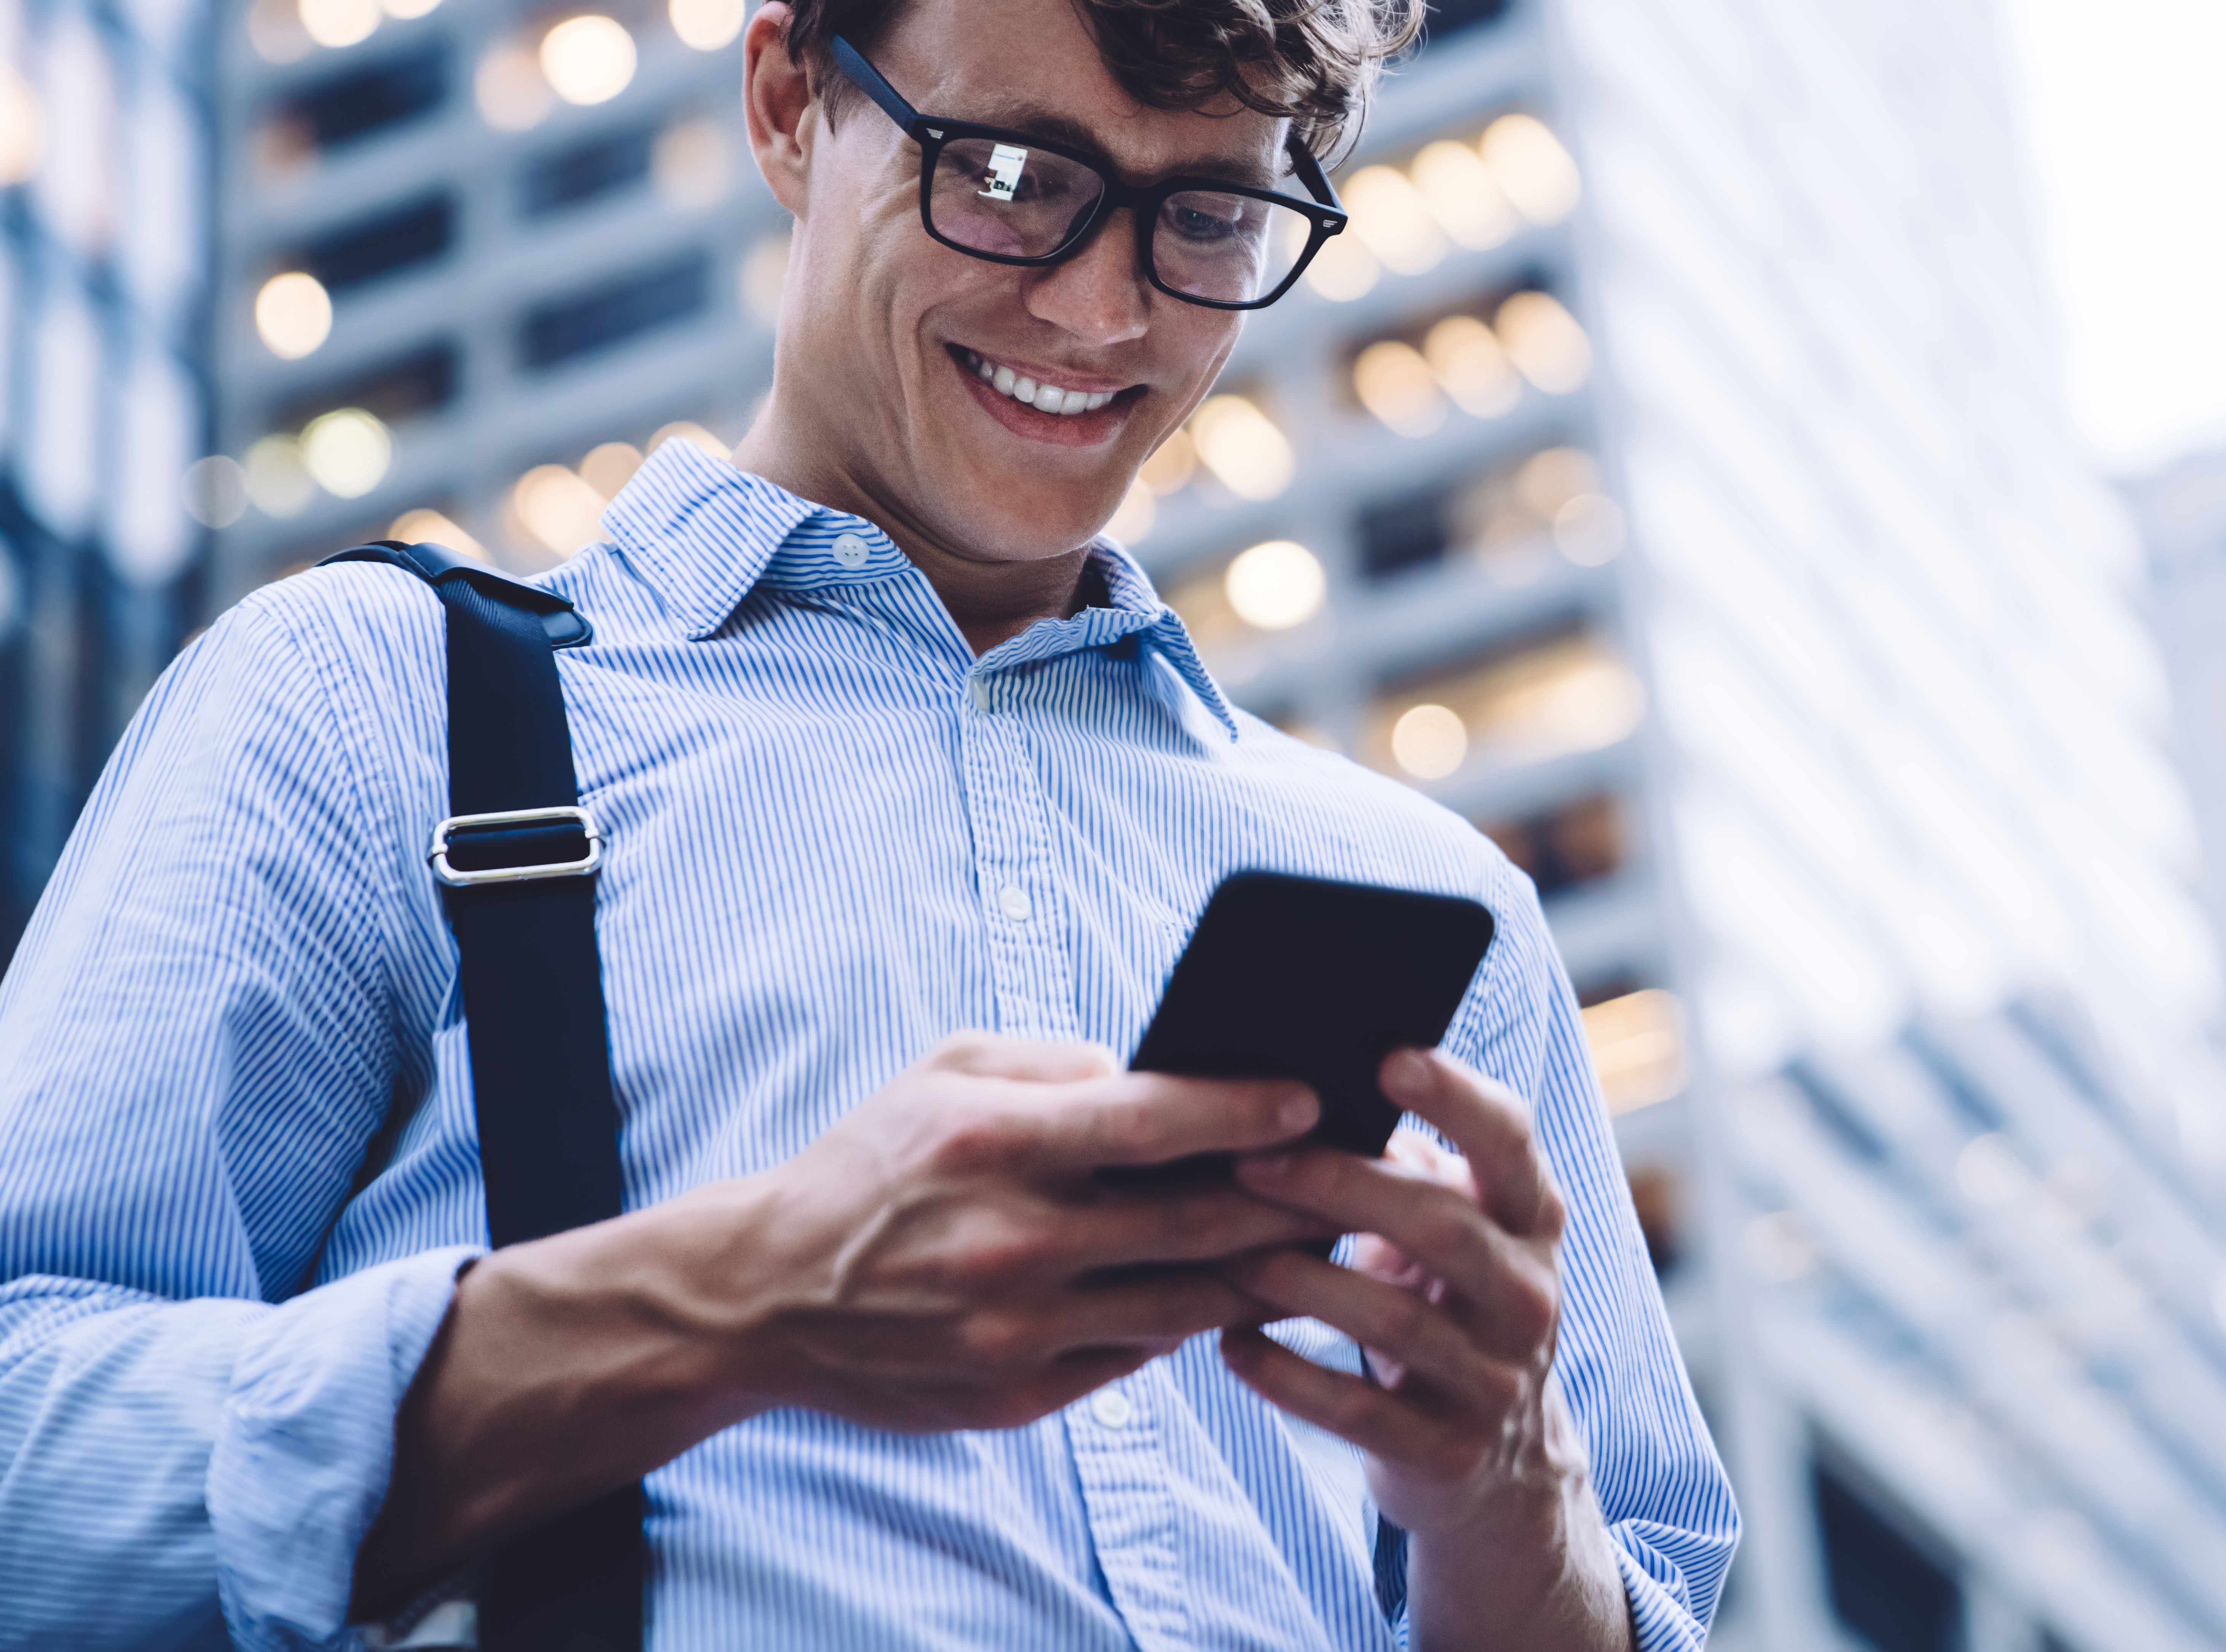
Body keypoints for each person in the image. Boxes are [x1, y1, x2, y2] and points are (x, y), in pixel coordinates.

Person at [0, 0, 1738, 1645]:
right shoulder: (374, 701)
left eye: (1205, 214)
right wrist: (742, 1294)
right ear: (787, 100)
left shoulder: (1434, 905)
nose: (1099, 314)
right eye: (1009, 178)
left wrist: (1507, 1492)